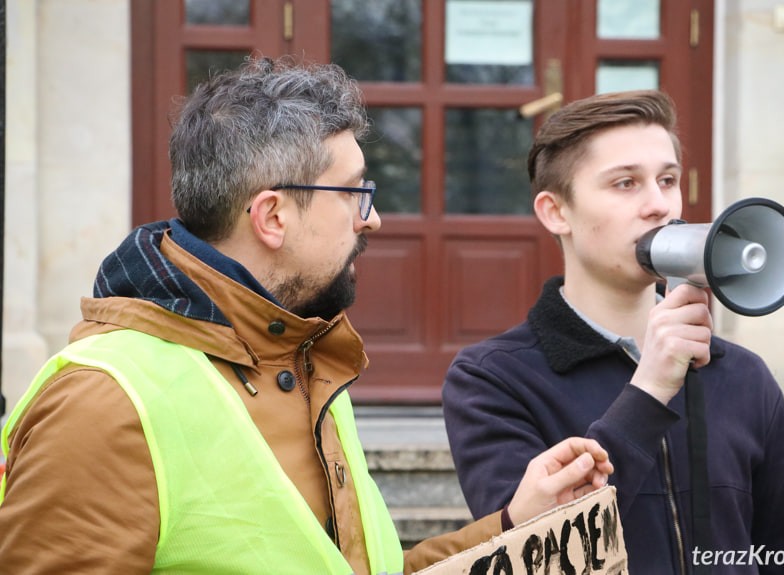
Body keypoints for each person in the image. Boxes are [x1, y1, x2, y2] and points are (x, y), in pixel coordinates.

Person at [0, 57, 614, 574]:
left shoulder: (304, 355)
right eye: (356, 193)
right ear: (272, 217)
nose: (371, 219)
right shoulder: (103, 402)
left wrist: (513, 525)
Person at [442, 90, 784, 574]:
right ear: (556, 212)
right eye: (625, 183)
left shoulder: (744, 377)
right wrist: (651, 389)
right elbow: (542, 556)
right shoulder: (493, 380)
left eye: (668, 180)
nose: (659, 205)